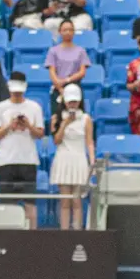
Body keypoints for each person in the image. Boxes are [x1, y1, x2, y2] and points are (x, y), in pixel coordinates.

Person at [0, 73, 45, 228]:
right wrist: (9, 125)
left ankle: (32, 235)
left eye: (19, 91)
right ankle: (8, 233)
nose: (16, 94)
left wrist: (28, 125)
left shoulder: (34, 107)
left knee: (30, 203)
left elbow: (40, 134)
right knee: (8, 203)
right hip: (6, 160)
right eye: (14, 91)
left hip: (28, 160)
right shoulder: (0, 108)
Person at [51, 83, 94, 230]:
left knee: (76, 201)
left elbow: (89, 142)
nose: (72, 104)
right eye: (70, 101)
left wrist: (92, 163)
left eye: (75, 101)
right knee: (65, 201)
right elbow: (56, 140)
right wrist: (65, 124)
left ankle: (77, 232)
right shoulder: (56, 118)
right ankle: (64, 232)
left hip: (79, 159)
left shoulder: (86, 119)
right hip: (63, 159)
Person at [44, 19, 90, 116]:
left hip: (75, 87)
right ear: (60, 32)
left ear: (74, 32)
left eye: (70, 30)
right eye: (65, 30)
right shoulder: (53, 51)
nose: (68, 32)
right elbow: (52, 72)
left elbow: (82, 72)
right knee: (57, 118)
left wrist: (67, 80)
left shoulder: (80, 50)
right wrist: (60, 88)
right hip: (58, 88)